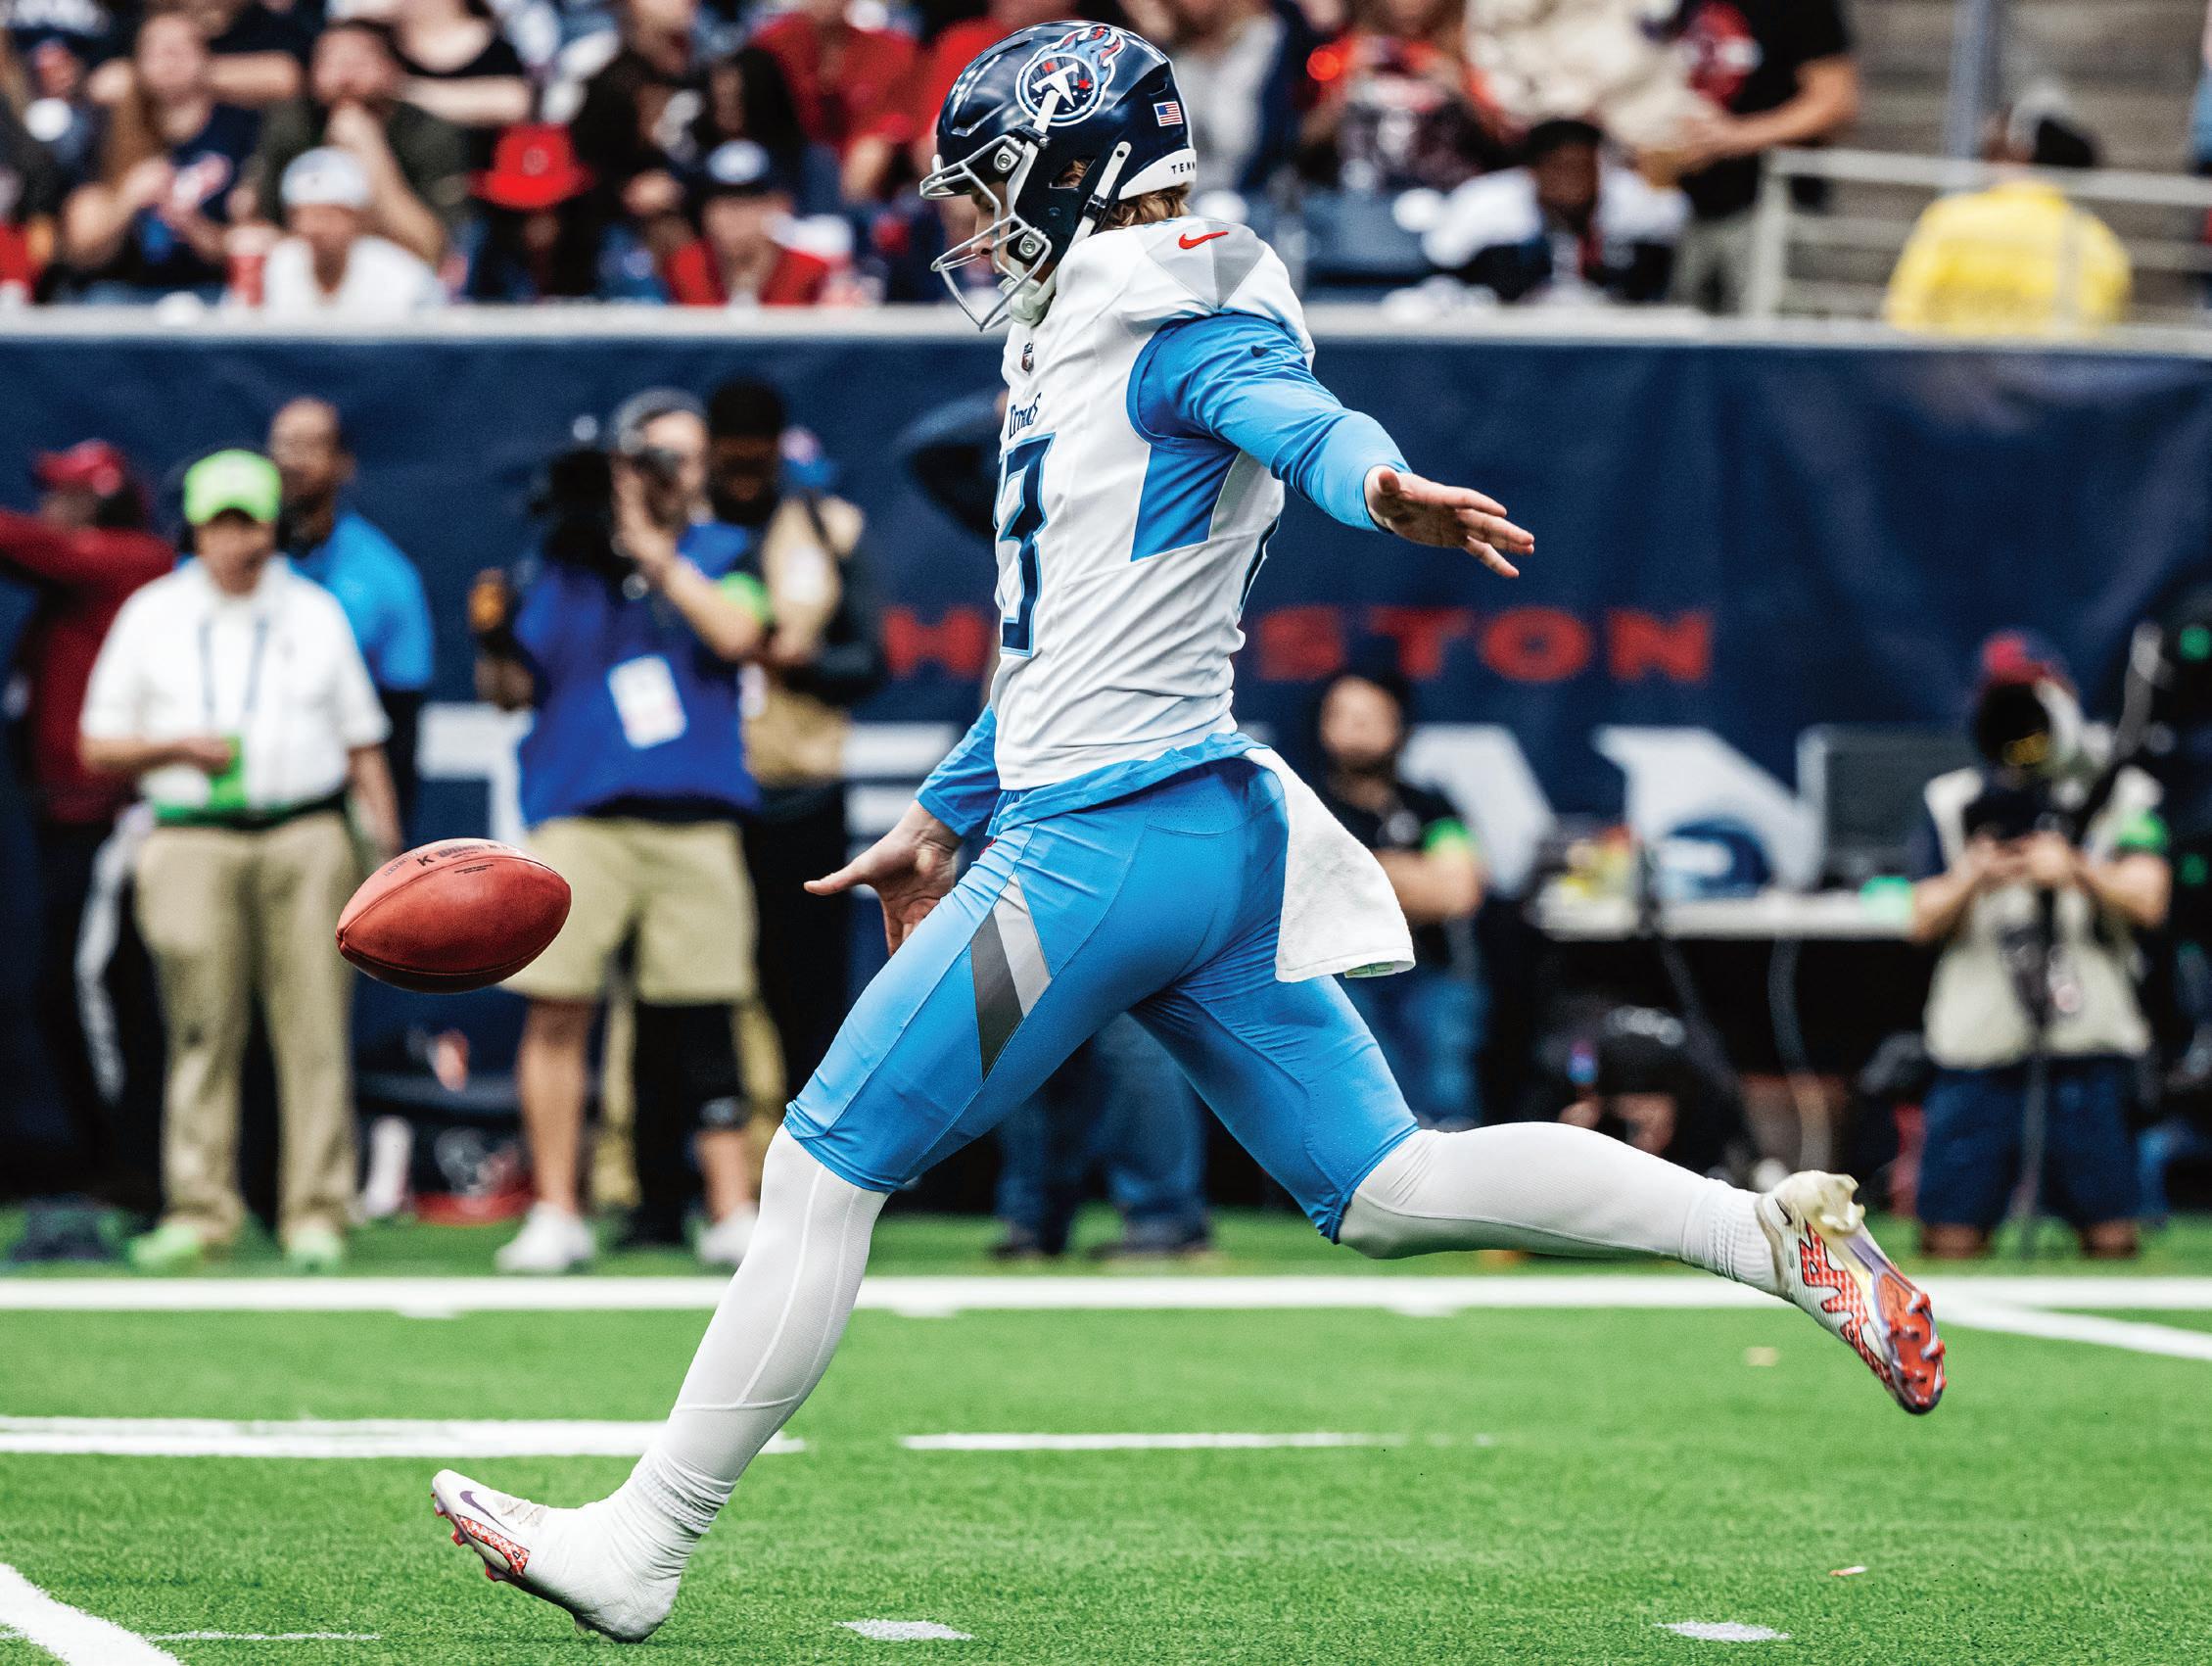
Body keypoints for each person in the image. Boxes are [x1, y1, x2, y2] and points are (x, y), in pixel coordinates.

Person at [430, 25, 1944, 1640]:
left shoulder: (1165, 318)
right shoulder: (1089, 324)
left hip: (1101, 850)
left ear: (1071, 171)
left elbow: (1293, 414)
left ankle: (645, 1539)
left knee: (818, 1164)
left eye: (991, 188)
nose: (972, 225)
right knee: (1384, 1184)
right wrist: (943, 810)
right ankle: (1768, 1237)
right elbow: (1070, 638)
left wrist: (1380, 486)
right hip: (1195, 832)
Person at [79, 449, 401, 1274]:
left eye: (248, 522)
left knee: (314, 1029)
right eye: (219, 523)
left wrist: (387, 857)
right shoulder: (152, 613)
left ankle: (317, 1209)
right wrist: (174, 746)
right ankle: (201, 1207)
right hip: (189, 835)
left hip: (305, 834)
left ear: (272, 527)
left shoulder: (314, 612)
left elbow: (363, 742)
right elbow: (96, 743)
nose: (235, 540)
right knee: (199, 1028)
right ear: (193, 528)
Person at [473, 391, 766, 1273]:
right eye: (651, 457)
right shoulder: (559, 561)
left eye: (682, 459)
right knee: (558, 1007)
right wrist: (492, 640)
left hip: (694, 819)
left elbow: (741, 634)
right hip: (581, 816)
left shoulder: (725, 551)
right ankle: (557, 1210)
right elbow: (512, 693)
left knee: (707, 1014)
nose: (667, 475)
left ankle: (731, 1209)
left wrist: (654, 553)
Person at [1906, 632, 2168, 1260]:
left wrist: (2076, 869)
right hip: (1979, 1045)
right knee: (1950, 1239)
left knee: (2111, 1238)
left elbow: (2150, 898)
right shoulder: (1952, 801)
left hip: (2086, 1045)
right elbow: (1917, 918)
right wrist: (1974, 875)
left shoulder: (2119, 793)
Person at [0, 441, 173, 1257]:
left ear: (102, 501)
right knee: (61, 990)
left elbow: (29, 544)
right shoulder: (69, 590)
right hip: (61, 818)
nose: (50, 509)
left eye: (67, 496)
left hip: (110, 819)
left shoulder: (130, 562)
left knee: (97, 988)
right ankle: (103, 1162)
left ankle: (129, 1168)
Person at [705, 376, 882, 1106]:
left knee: (808, 995)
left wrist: (798, 663)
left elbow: (869, 660)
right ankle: (711, 1159)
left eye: (757, 459)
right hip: (703, 800)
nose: (744, 475)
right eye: (731, 460)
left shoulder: (828, 528)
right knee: (701, 997)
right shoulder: (680, 538)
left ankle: (809, 1145)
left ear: (780, 451)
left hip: (801, 793)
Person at [1310, 668, 1484, 1128]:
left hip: (1429, 974)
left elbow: (1459, 891)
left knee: (1446, 1104)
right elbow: (1306, 884)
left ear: (1399, 726)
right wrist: (1414, 873)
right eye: (1343, 715)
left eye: (1370, 716)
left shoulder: (1431, 807)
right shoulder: (1305, 805)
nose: (1355, 728)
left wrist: (1358, 868)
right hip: (1342, 975)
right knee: (1367, 1105)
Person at [267, 396, 437, 827]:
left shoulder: (386, 577)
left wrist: (388, 834)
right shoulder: (224, 566)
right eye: (283, 445)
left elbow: (400, 721)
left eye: (310, 446)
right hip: (230, 798)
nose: (292, 461)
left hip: (335, 803)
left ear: (344, 463)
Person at [1664, 0, 1859, 314]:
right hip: (1690, 209)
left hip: (1771, 208)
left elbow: (1836, 102)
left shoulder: (1802, 7)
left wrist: (1733, 137)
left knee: (1766, 335)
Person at [1883, 91, 2130, 338]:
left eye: (1989, 151)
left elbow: (1905, 318)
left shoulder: (1951, 219)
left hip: (1954, 362)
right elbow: (2099, 339)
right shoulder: (2098, 243)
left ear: (2016, 154)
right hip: (2051, 363)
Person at [58, 12, 259, 303]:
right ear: (137, 64)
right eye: (156, 49)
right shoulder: (107, 131)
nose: (168, 58)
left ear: (206, 58)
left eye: (180, 48)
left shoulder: (241, 129)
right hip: (125, 293)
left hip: (214, 291)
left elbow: (255, 240)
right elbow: (80, 251)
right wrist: (128, 199)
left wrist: (193, 226)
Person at [250, 20, 469, 265]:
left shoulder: (428, 131)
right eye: (331, 62)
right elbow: (266, 228)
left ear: (394, 69)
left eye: (360, 62)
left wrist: (372, 153)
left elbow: (432, 250)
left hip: (401, 271)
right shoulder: (291, 123)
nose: (345, 78)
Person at [1421, 117, 1685, 306]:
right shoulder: (1485, 201)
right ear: (1532, 171)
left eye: (1585, 167)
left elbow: (1679, 246)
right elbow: (1441, 266)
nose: (1575, 180)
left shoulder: (1636, 200)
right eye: (1561, 167)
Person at [459, 120, 665, 301]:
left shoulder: (609, 249)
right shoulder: (484, 248)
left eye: (550, 208)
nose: (536, 223)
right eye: (520, 212)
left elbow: (648, 315)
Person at [749, 0, 918, 203]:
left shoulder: (890, 50)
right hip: (789, 160)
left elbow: (894, 120)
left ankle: (848, 216)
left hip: (859, 171)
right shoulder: (772, 45)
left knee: (872, 149)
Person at [259, 144, 446, 316]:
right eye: (302, 215)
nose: (313, 228)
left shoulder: (403, 277)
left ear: (358, 218)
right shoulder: (277, 265)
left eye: (327, 216)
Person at [664, 139, 831, 307]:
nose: (731, 216)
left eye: (745, 203)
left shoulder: (811, 274)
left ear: (779, 205)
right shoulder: (684, 269)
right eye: (720, 203)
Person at [387, 0, 531, 163]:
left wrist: (408, 90)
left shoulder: (503, 38)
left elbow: (516, 102)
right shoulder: (385, 42)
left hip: (495, 166)